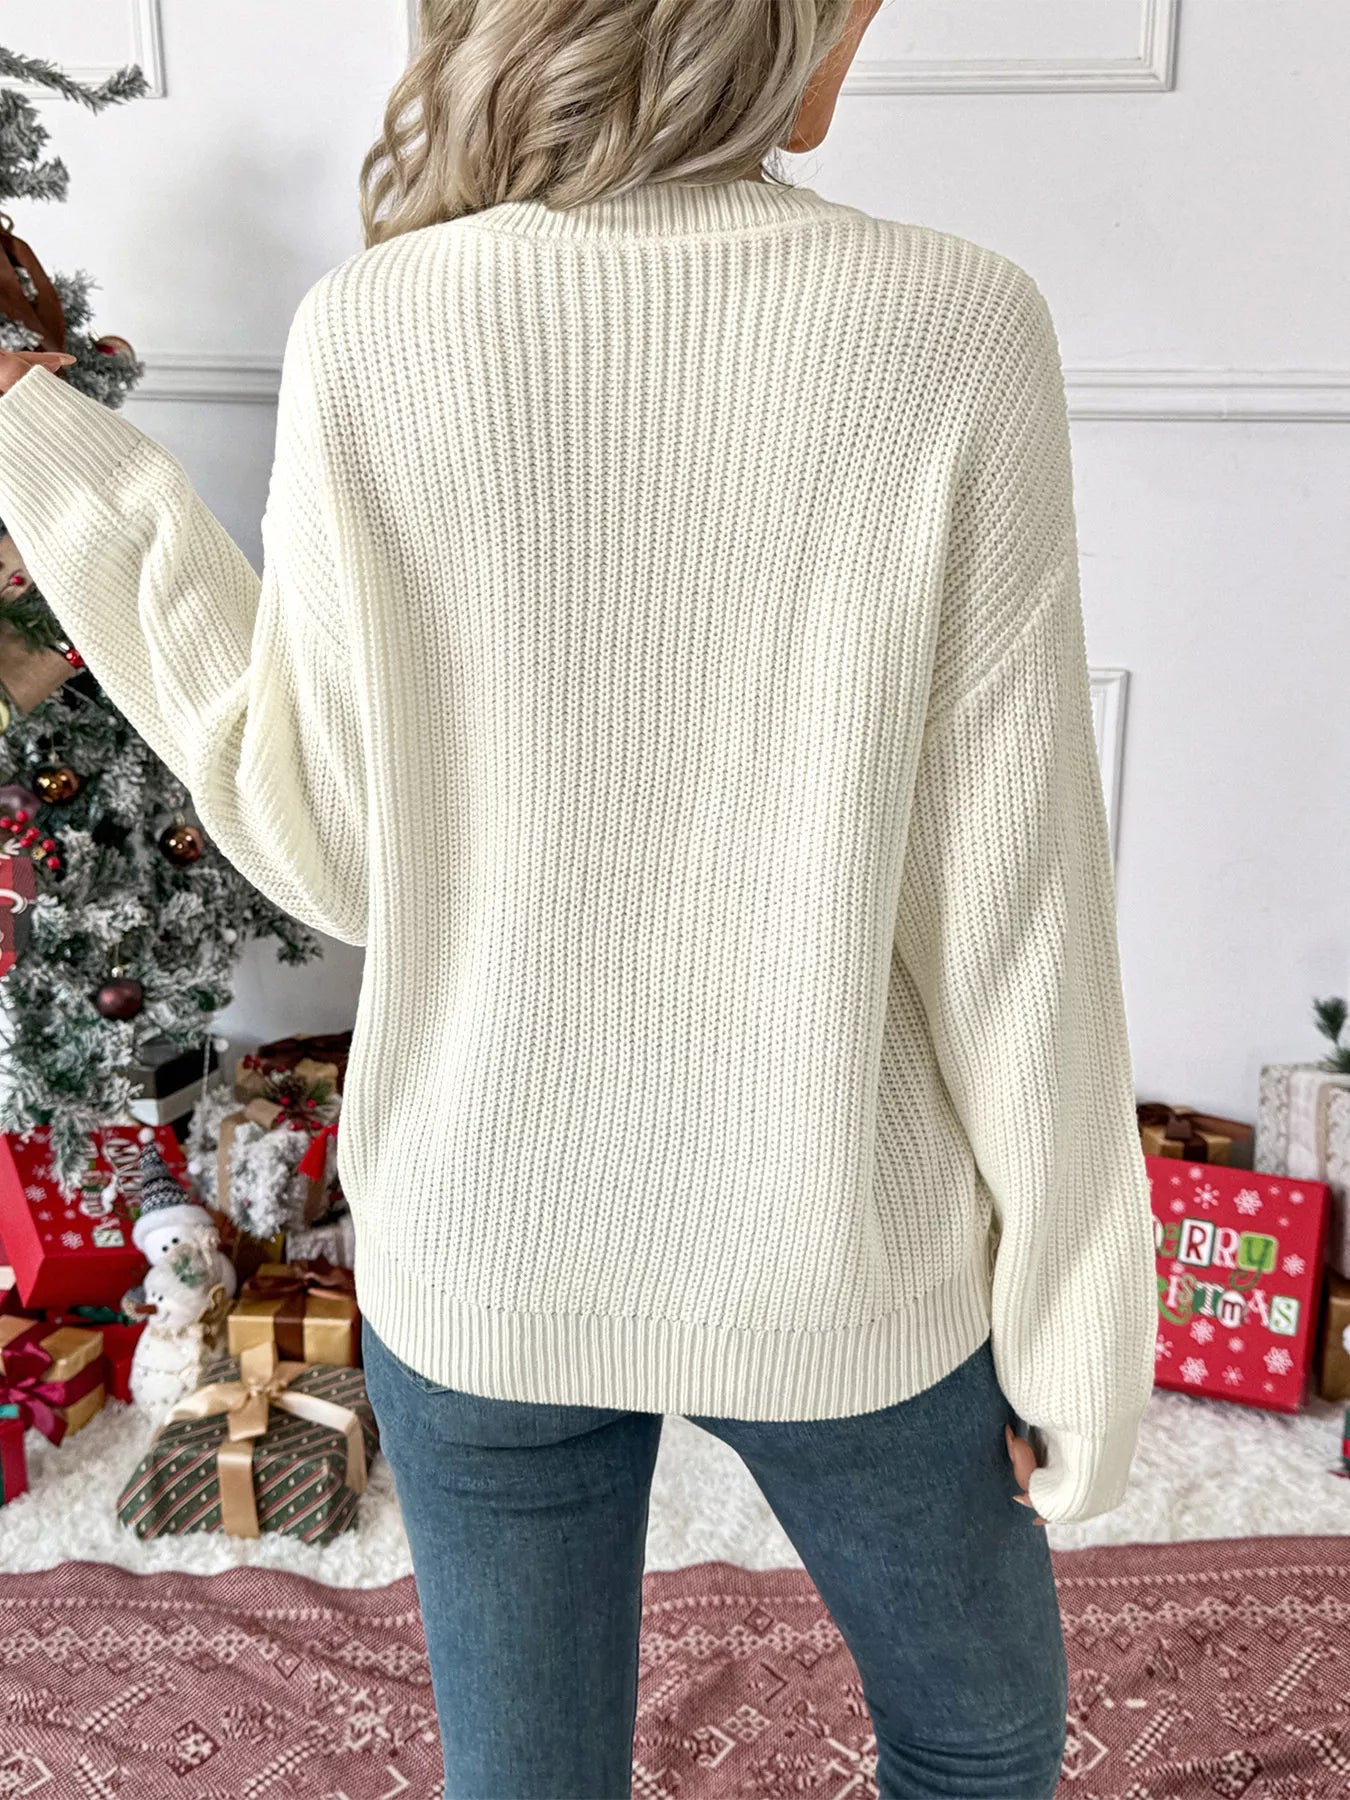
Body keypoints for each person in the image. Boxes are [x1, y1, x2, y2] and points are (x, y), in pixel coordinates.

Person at [0, 0, 1159, 1792]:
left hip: (479, 1256)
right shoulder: (950, 324)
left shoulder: (376, 326)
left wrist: (43, 441)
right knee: (979, 1745)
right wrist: (1076, 1325)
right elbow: (1015, 903)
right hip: (837, 1257)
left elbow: (328, 850)